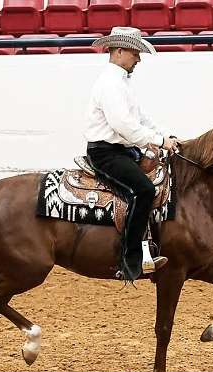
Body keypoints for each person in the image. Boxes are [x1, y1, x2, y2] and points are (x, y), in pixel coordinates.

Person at [84, 27, 179, 282]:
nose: (139, 58)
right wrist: (159, 141)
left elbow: (140, 119)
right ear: (120, 51)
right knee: (144, 190)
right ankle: (131, 260)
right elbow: (123, 125)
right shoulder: (110, 83)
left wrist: (165, 135)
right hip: (106, 153)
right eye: (136, 53)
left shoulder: (120, 82)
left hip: (122, 150)